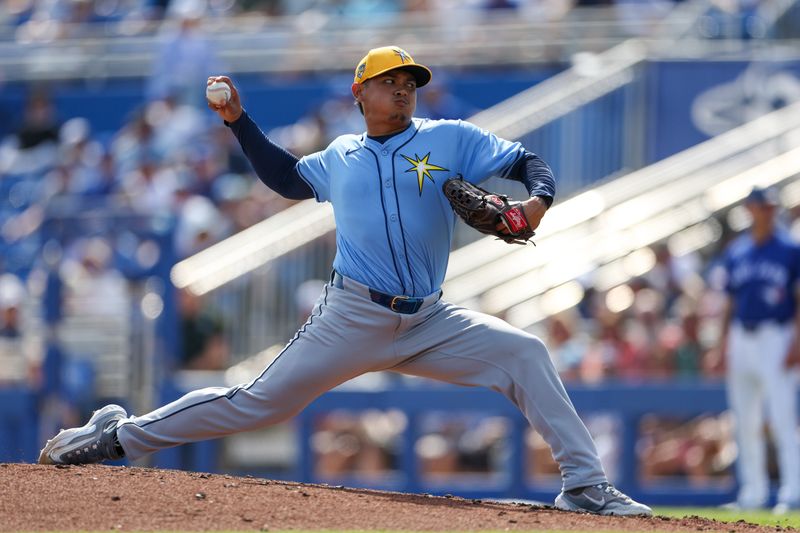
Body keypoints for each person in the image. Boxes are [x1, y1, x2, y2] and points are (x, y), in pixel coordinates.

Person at [38, 46, 651, 517]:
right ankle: (118, 437)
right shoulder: (340, 157)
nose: (405, 91)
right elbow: (284, 178)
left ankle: (586, 486)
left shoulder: (449, 138)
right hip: (352, 316)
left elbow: (528, 163)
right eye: (392, 82)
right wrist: (238, 121)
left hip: (431, 319)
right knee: (254, 404)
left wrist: (537, 203)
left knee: (525, 352)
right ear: (361, 92)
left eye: (411, 83)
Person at [717, 186, 800, 513]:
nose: (768, 212)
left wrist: (796, 341)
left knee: (782, 417)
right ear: (750, 209)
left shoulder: (790, 249)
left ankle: (792, 492)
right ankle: (752, 493)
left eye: (771, 207)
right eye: (762, 207)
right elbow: (729, 301)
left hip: (776, 335)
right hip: (742, 335)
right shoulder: (737, 250)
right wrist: (721, 343)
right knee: (744, 420)